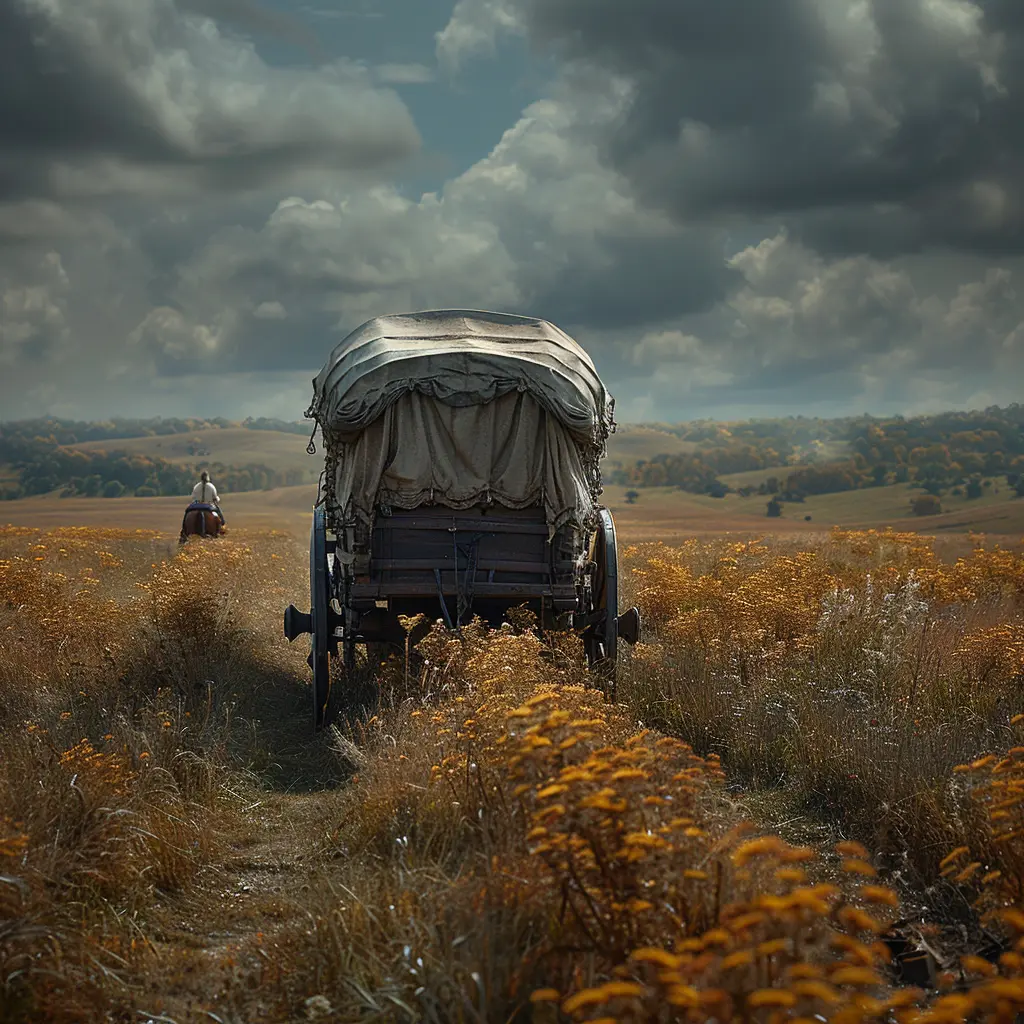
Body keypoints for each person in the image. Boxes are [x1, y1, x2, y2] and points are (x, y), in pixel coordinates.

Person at [179, 471, 226, 540]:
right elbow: (215, 498)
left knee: (187, 513)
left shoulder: (196, 486)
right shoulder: (211, 486)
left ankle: (184, 531)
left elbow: (193, 497)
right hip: (208, 506)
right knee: (219, 513)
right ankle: (221, 527)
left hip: (196, 505)